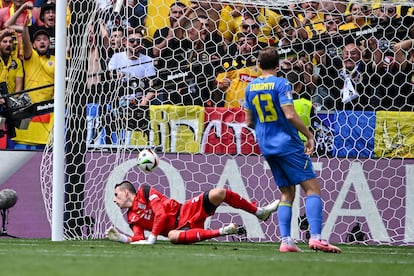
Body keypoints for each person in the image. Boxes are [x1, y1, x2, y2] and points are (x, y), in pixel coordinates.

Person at [244, 47, 341, 253]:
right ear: (278, 65)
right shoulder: (282, 83)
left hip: (267, 146)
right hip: (287, 143)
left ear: (259, 65)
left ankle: (286, 241)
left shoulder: (250, 87)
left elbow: (249, 121)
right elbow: (289, 114)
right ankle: (316, 238)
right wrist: (309, 134)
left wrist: (266, 130)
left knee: (286, 193)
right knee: (312, 189)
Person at [106, 180, 280, 244]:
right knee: (173, 237)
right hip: (180, 230)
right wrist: (121, 238)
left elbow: (162, 214)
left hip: (186, 210)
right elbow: (138, 238)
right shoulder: (131, 216)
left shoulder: (145, 191)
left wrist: (152, 238)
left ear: (125, 192)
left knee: (218, 192)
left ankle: (259, 212)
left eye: (116, 194)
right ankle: (222, 231)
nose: (114, 199)